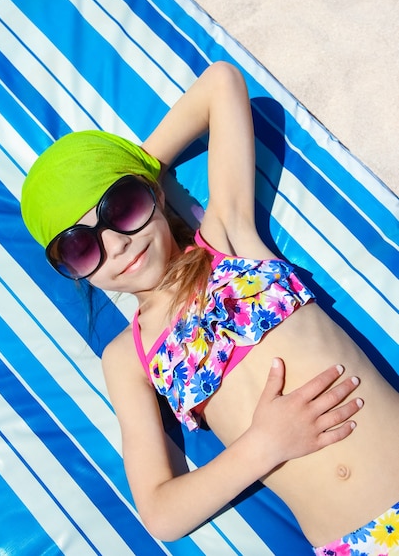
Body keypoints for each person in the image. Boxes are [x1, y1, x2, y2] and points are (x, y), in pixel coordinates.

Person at [21, 62, 399, 555]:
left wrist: (128, 171)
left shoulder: (228, 238)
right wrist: (265, 445)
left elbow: (221, 83)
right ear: (74, 271)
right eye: (80, 247)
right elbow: (161, 511)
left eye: (123, 207)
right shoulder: (129, 357)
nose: (115, 244)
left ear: (152, 194)